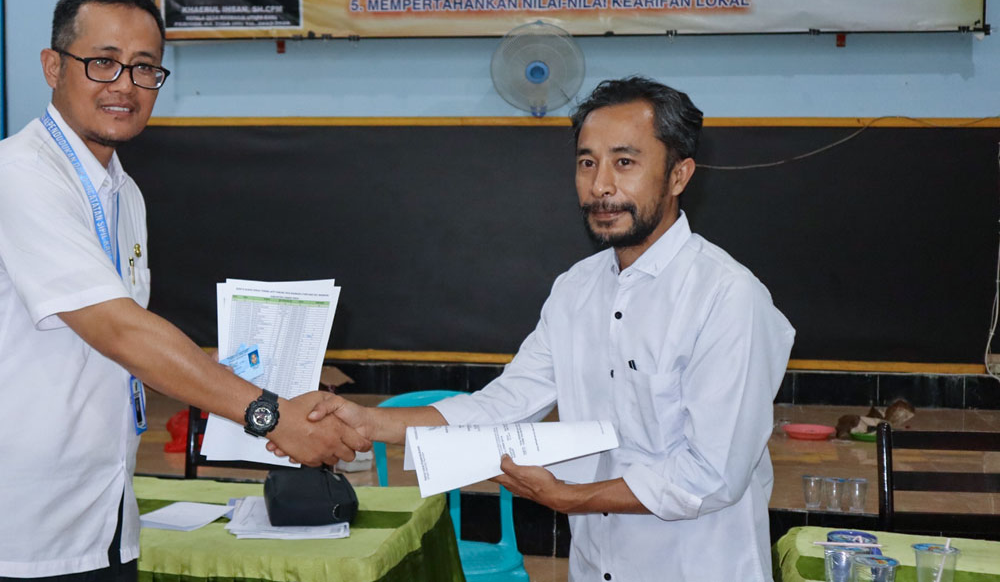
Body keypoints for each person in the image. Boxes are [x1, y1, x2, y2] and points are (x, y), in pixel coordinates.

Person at [0, 0, 364, 581]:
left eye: (145, 67)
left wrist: (255, 376)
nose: (124, 84)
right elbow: (120, 331)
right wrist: (270, 415)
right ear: (53, 66)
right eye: (103, 62)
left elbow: (120, 344)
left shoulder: (124, 193)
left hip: (100, 521)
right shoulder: (18, 176)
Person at [292, 77, 796, 581]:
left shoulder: (727, 297)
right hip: (596, 568)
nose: (601, 186)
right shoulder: (576, 289)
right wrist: (370, 422)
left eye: (625, 162)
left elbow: (712, 474)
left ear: (679, 175)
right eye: (587, 162)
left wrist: (571, 498)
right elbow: (504, 405)